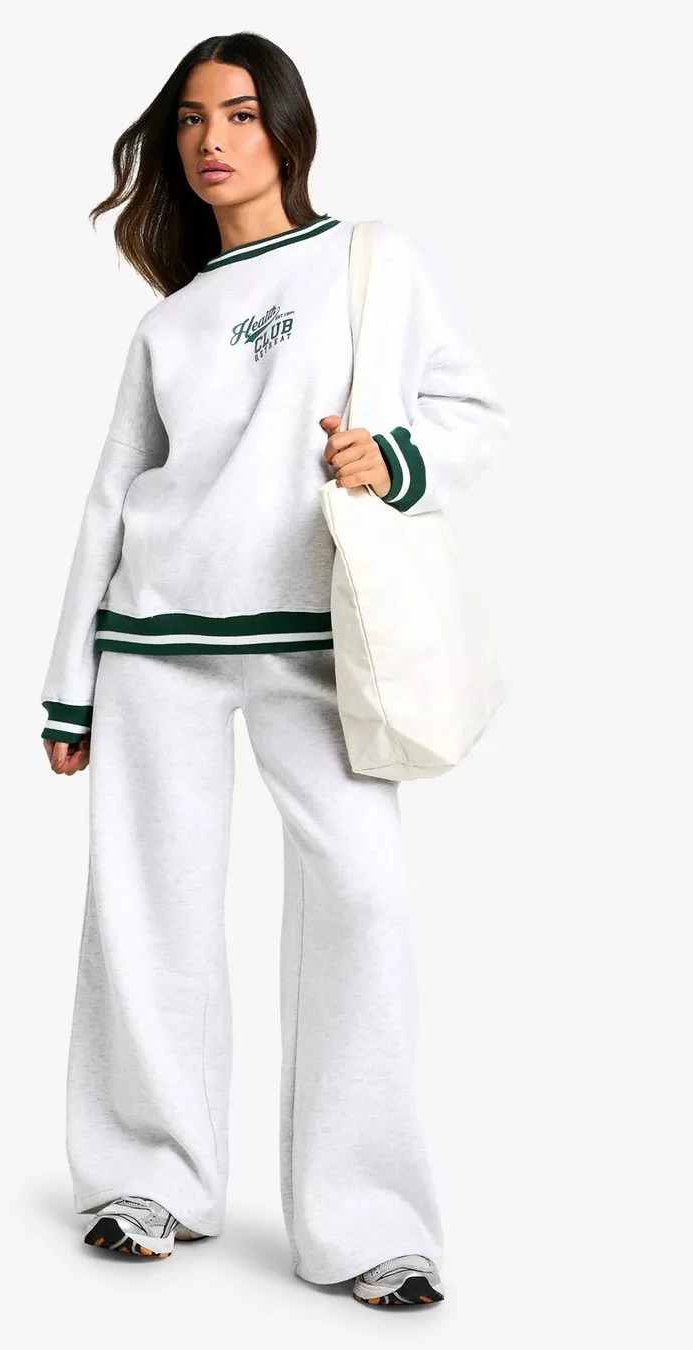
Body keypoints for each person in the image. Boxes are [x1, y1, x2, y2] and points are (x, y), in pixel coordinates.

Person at [39, 30, 507, 1307]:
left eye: (239, 114)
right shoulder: (170, 323)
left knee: (365, 903)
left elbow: (471, 412)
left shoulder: (373, 264)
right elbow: (109, 499)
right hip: (158, 643)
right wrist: (69, 682)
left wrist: (393, 459)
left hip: (320, 645)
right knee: (149, 910)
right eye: (191, 119)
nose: (211, 140)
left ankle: (368, 1225)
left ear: (287, 128)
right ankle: (149, 1181)